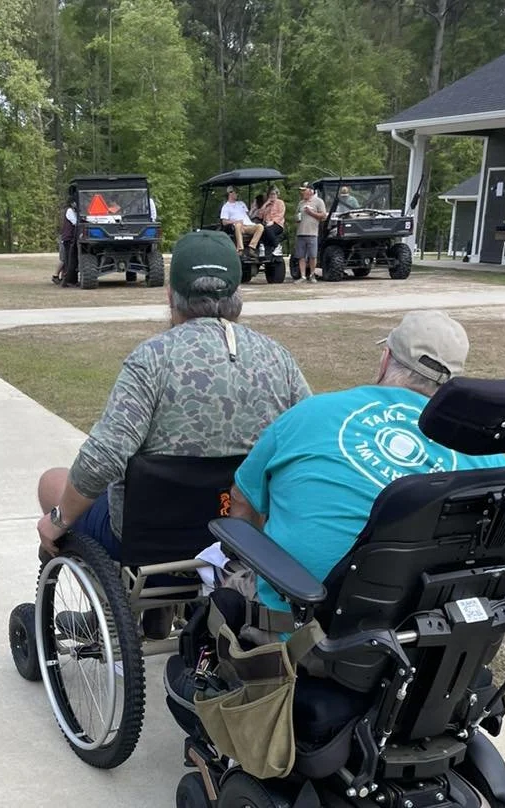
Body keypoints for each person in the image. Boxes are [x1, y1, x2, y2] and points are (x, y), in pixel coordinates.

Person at [35, 230, 312, 633]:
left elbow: (104, 457)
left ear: (171, 294)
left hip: (148, 541)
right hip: (242, 539)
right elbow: (306, 440)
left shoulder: (152, 360)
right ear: (237, 296)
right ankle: (158, 613)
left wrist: (57, 521)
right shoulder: (278, 359)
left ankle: (108, 611)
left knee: (51, 484)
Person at [226, 310, 505, 618]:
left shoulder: (312, 413)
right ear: (454, 383)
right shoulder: (484, 450)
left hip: (300, 631)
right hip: (423, 633)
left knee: (225, 588)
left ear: (386, 359)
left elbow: (242, 501)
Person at [294, 182, 327, 282]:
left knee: (313, 255)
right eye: (302, 190)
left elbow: (323, 216)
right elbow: (296, 215)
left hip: (312, 233)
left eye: (304, 190)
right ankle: (303, 276)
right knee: (301, 256)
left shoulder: (318, 202)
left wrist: (311, 213)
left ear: (311, 191)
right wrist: (296, 218)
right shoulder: (301, 203)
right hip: (300, 232)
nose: (302, 192)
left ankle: (312, 275)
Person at [220, 186, 265, 257]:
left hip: (249, 225)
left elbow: (248, 215)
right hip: (239, 227)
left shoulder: (241, 203)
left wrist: (254, 209)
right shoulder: (226, 207)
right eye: (236, 192)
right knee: (238, 225)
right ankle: (240, 249)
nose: (237, 194)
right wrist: (235, 221)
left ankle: (252, 248)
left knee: (260, 226)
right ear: (230, 193)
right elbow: (224, 222)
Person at [53, 198, 79, 285]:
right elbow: (75, 222)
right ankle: (61, 278)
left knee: (66, 259)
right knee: (66, 259)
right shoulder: (69, 211)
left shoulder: (71, 211)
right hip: (67, 238)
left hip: (68, 238)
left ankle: (62, 277)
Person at [258, 187, 286, 257]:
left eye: (273, 194)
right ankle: (262, 248)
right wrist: (265, 204)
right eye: (270, 194)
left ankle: (277, 246)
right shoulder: (267, 205)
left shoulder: (280, 203)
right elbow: (260, 216)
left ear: (277, 194)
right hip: (266, 224)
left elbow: (281, 215)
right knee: (260, 229)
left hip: (277, 224)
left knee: (268, 229)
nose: (272, 196)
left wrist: (273, 222)